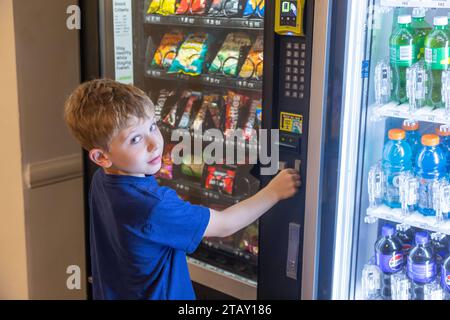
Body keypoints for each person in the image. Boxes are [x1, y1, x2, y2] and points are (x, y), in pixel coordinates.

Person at [64, 79, 300, 300]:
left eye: (153, 126)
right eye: (135, 139)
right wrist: (273, 192)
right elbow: (225, 224)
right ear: (101, 157)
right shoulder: (153, 206)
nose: (155, 143)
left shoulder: (100, 180)